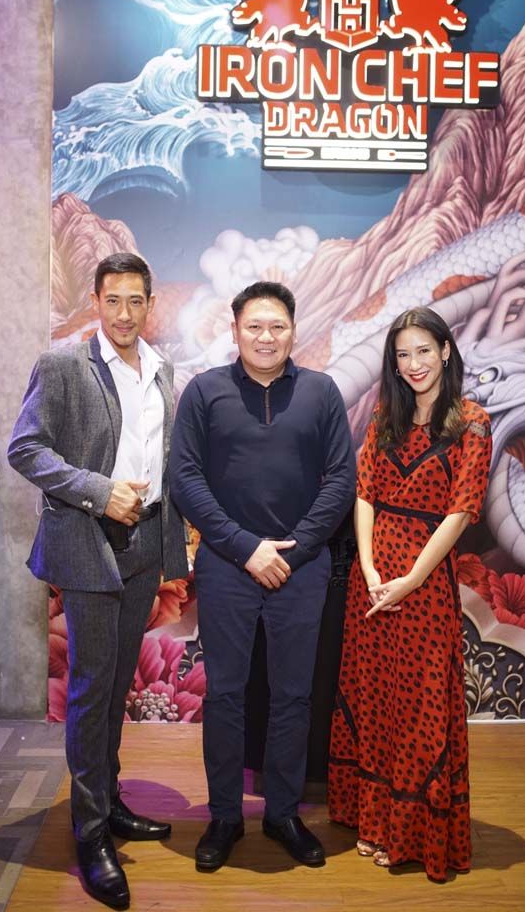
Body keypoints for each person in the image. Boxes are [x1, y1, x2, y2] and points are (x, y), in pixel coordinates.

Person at [8, 252, 188, 910]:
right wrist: (97, 490)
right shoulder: (62, 366)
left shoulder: (162, 370)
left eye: (135, 301)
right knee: (89, 689)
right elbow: (25, 447)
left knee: (114, 688)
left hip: (145, 543)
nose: (124, 313)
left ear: (150, 304)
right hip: (88, 542)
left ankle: (108, 802)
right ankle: (89, 835)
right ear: (96, 300)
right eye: (112, 300)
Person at [169, 280, 356, 871]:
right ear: (235, 330)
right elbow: (185, 479)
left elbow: (340, 481)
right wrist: (246, 549)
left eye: (277, 326)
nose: (266, 337)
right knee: (224, 695)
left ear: (294, 330)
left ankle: (282, 813)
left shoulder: (322, 392)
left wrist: (292, 554)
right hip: (227, 567)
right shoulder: (205, 391)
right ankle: (225, 816)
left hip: (301, 569)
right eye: (254, 326)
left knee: (294, 696)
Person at [328, 306, 492, 883]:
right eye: (403, 354)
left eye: (424, 350)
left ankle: (412, 832)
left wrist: (412, 578)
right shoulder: (384, 416)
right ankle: (374, 822)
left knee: (420, 706)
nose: (414, 363)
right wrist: (369, 567)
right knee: (373, 700)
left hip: (424, 585)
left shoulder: (471, 422)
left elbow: (460, 512)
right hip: (371, 584)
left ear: (445, 351)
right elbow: (364, 493)